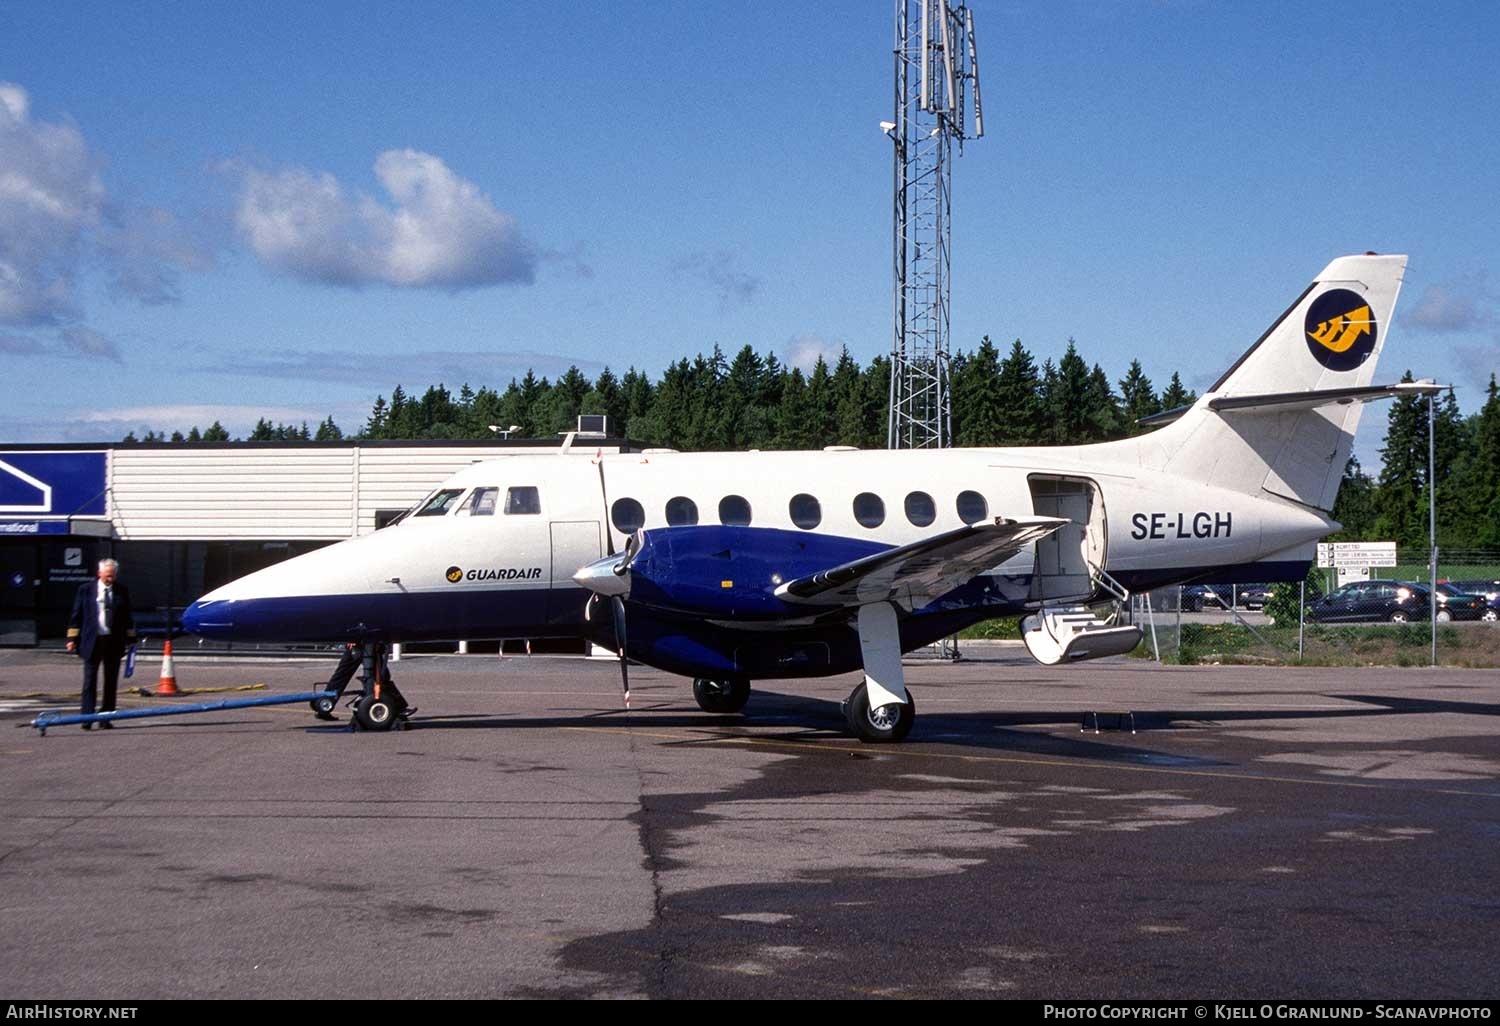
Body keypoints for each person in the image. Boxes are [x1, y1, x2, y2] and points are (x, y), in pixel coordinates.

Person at [66, 558, 136, 730]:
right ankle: (87, 718)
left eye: (112, 576)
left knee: (110, 681)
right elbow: (76, 615)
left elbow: (128, 617)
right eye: (107, 576)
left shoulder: (121, 591)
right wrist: (71, 638)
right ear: (99, 574)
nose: (109, 579)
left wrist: (131, 639)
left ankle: (106, 717)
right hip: (92, 640)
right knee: (90, 681)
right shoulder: (85, 590)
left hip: (113, 641)